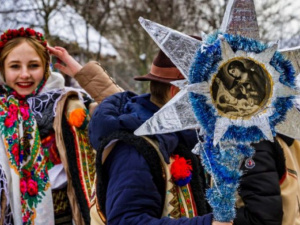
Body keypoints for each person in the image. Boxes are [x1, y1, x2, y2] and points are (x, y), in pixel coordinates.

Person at [88, 49, 232, 225]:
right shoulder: (134, 150)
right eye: (208, 93)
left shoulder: (185, 137)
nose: (217, 103)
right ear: (176, 93)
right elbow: (126, 221)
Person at [0, 27, 122, 225]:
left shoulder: (71, 103)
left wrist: (82, 73)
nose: (24, 74)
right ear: (2, 70)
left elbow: (123, 111)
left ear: (46, 67)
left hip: (73, 216)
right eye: (14, 66)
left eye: (33, 66)